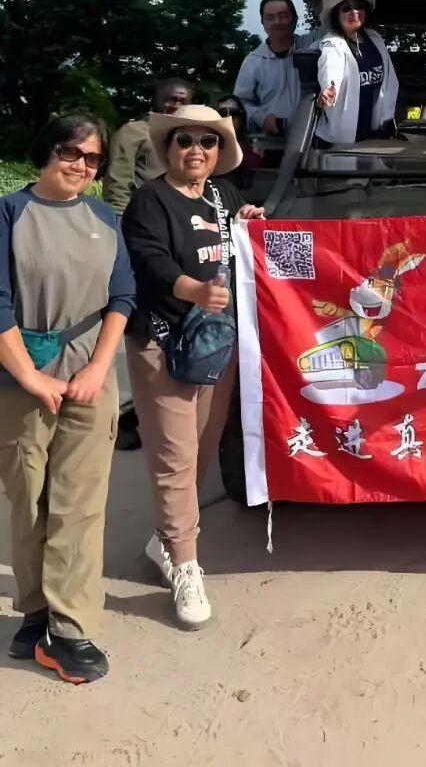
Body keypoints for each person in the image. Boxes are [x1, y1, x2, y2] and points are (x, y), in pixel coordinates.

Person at [0, 115, 135, 684]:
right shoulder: (10, 213)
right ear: (46, 150)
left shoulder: (104, 218)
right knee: (28, 500)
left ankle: (69, 629)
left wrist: (98, 368)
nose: (81, 165)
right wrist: (32, 378)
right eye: (70, 151)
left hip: (89, 377)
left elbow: (122, 296)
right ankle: (35, 610)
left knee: (79, 504)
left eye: (93, 158)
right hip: (20, 378)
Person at [122, 105, 264, 630]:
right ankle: (185, 565)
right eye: (185, 140)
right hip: (163, 340)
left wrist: (248, 222)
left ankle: (166, 540)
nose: (196, 150)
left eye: (208, 141)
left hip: (214, 342)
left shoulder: (223, 196)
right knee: (174, 455)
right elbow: (151, 262)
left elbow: (232, 247)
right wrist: (196, 291)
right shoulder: (150, 200)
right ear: (168, 148)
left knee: (202, 444)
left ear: (220, 150)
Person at [315, 0, 399, 144]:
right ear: (336, 15)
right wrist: (329, 89)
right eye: (346, 8)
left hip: (374, 135)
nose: (354, 12)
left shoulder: (375, 38)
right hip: (340, 141)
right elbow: (331, 67)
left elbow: (390, 80)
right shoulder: (332, 43)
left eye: (359, 6)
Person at [233, 0, 320, 139]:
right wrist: (262, 118)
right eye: (270, 17)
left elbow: (332, 22)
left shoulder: (312, 46)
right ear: (262, 22)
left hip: (311, 140)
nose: (277, 22)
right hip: (269, 144)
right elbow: (239, 104)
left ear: (294, 19)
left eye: (283, 16)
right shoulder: (253, 61)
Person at [102, 79, 190, 214]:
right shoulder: (134, 132)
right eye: (172, 100)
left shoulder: (190, 138)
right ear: (155, 102)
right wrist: (120, 220)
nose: (177, 106)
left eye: (183, 102)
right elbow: (117, 185)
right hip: (141, 215)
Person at [215, 95, 262, 190]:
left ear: (241, 118)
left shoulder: (246, 141)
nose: (228, 117)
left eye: (233, 113)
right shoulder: (208, 139)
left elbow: (256, 161)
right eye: (223, 113)